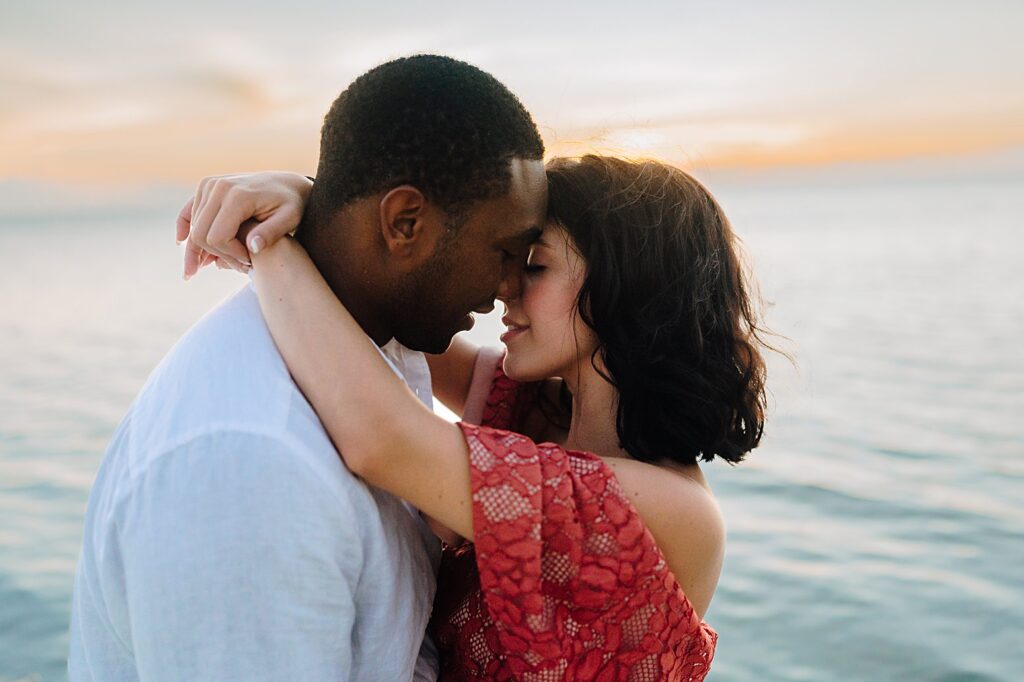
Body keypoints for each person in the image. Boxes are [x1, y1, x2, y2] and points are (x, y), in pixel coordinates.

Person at [183, 154, 769, 680]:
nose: (502, 288)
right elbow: (396, 306)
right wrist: (314, 202)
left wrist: (269, 242)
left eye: (534, 267)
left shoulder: (676, 513)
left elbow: (381, 435)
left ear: (628, 285)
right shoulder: (538, 410)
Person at [68, 54, 547, 681]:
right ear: (405, 223)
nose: (511, 287)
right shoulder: (251, 465)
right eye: (506, 252)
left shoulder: (383, 346)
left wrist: (302, 199)